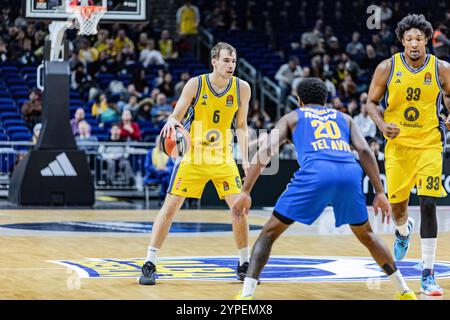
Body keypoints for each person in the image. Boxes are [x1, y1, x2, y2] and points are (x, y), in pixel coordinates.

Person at [232, 77, 416, 300]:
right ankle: (404, 290)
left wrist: (245, 191)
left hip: (317, 172)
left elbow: (267, 150)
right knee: (367, 235)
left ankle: (247, 294)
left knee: (268, 233)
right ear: (325, 99)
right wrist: (379, 192)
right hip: (349, 171)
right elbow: (365, 151)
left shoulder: (292, 117)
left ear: (299, 100)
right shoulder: (344, 118)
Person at [138, 42, 251, 285]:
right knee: (170, 208)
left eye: (233, 61)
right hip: (193, 155)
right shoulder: (196, 84)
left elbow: (241, 125)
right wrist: (170, 121)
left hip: (223, 156)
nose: (231, 65)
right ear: (214, 61)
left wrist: (247, 157)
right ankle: (149, 262)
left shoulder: (242, 88)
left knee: (238, 210)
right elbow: (176, 114)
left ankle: (244, 264)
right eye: (226, 61)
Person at [366, 14, 449, 296]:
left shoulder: (442, 69)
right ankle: (403, 231)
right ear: (402, 41)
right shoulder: (387, 68)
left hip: (429, 144)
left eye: (419, 38)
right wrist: (381, 124)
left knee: (428, 203)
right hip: (398, 147)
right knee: (398, 209)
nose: (414, 43)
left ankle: (428, 274)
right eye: (409, 39)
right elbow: (371, 103)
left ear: (427, 40)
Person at [144, 135, 175, 203]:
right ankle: (166, 197)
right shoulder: (150, 152)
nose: (160, 143)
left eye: (161, 142)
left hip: (165, 173)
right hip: (154, 174)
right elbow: (147, 165)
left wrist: (166, 168)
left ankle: (162, 195)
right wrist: (156, 169)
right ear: (156, 142)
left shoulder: (168, 153)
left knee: (165, 178)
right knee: (166, 176)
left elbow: (172, 166)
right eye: (158, 142)